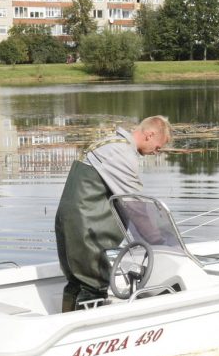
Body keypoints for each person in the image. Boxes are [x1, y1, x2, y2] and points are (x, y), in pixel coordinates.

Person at [55, 116, 172, 310]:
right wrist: (158, 240)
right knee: (93, 286)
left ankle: (67, 319)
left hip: (69, 225)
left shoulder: (108, 142)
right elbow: (135, 205)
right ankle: (89, 334)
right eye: (158, 147)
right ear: (150, 134)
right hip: (89, 231)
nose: (156, 152)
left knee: (76, 283)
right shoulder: (122, 153)